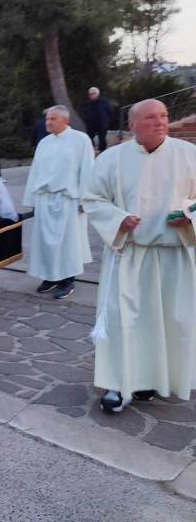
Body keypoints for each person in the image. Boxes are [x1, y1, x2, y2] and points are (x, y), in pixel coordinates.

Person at [82, 98, 196, 414]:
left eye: (164, 115)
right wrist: (119, 218)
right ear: (132, 125)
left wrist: (188, 215)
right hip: (129, 255)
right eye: (150, 118)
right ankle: (118, 384)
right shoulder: (111, 159)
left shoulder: (189, 155)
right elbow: (92, 198)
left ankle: (155, 379)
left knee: (167, 321)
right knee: (123, 321)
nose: (159, 122)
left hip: (174, 255)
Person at [22, 105, 94, 299]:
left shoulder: (80, 140)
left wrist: (85, 199)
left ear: (65, 120)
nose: (48, 122)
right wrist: (32, 199)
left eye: (53, 119)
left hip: (68, 200)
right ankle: (50, 277)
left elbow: (87, 170)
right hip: (45, 199)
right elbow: (36, 171)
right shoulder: (44, 142)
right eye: (47, 119)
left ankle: (68, 280)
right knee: (46, 242)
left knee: (68, 243)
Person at [82, 86, 114, 153]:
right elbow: (84, 112)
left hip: (102, 123)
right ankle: (91, 149)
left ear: (98, 93)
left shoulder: (104, 101)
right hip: (91, 124)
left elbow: (110, 111)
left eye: (93, 93)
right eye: (90, 94)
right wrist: (86, 118)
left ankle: (102, 151)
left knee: (102, 138)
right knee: (89, 137)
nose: (91, 95)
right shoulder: (87, 103)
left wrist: (107, 120)